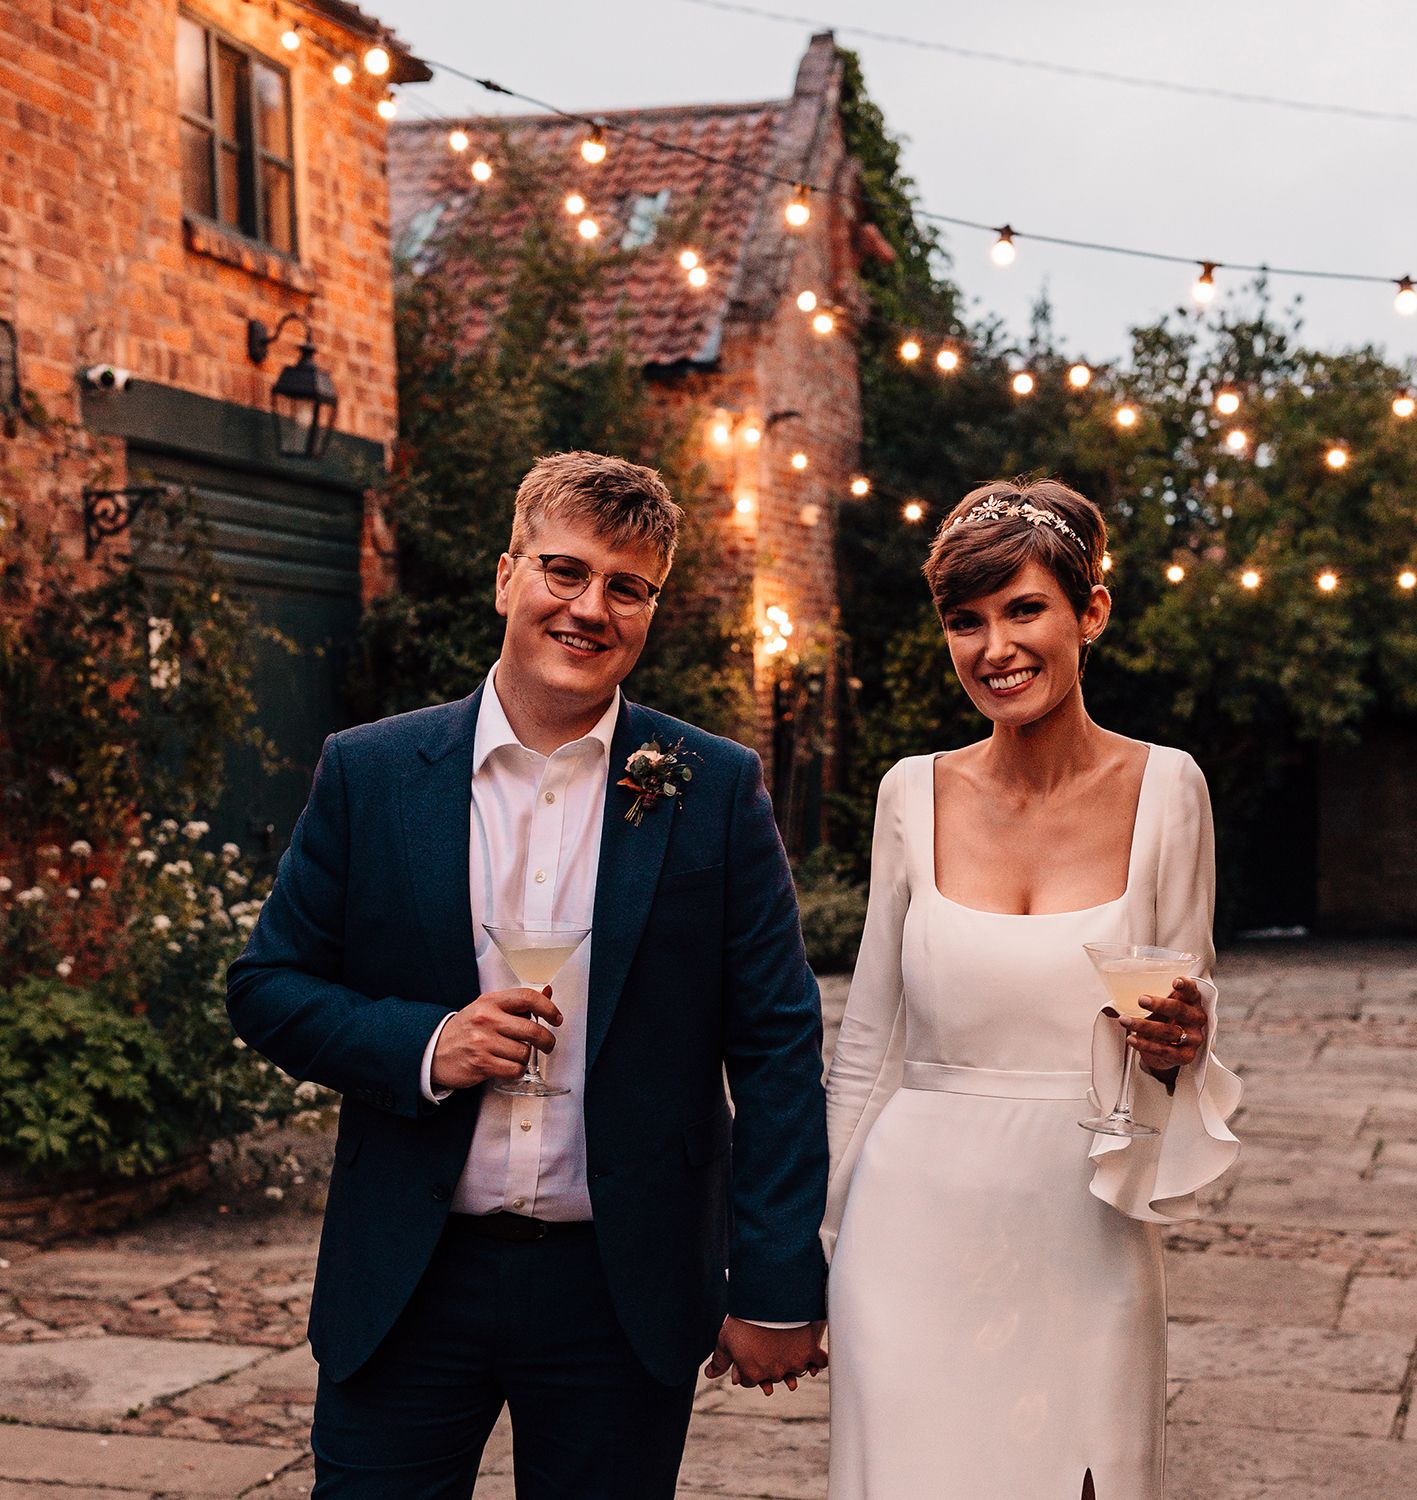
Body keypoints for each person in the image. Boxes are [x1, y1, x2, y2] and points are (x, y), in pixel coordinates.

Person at [227, 452, 829, 1499]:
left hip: (622, 1284)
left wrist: (775, 1280)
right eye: (565, 570)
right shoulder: (372, 772)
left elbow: (777, 1042)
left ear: (650, 610)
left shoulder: (714, 788)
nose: (590, 608)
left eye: (628, 587)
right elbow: (268, 986)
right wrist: (429, 1044)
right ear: (507, 577)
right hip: (409, 1274)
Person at [822, 478, 1243, 1500]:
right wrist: (805, 1251)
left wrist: (1183, 1046)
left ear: (1089, 613)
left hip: (1083, 1226)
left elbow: (1181, 1014)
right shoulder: (911, 793)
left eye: (1024, 609)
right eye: (966, 621)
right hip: (907, 1233)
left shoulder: (1169, 789)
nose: (995, 648)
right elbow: (866, 1043)